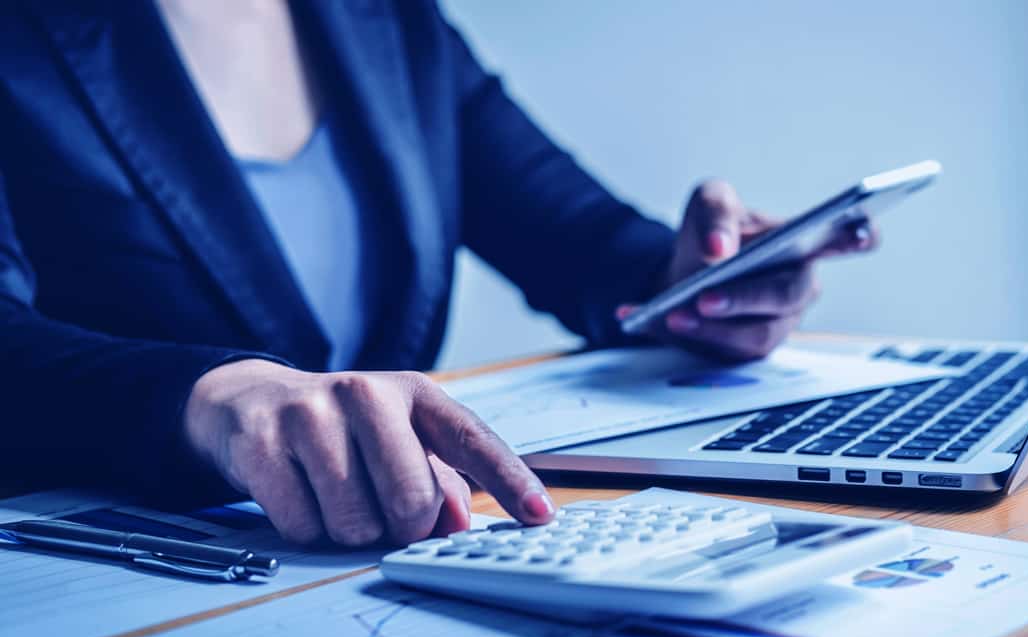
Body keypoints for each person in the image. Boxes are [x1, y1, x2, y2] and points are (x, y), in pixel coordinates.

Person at [0, 0, 874, 547]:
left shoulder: (387, 20)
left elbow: (579, 240)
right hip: (115, 580)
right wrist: (209, 399)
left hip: (387, 559)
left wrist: (707, 280)